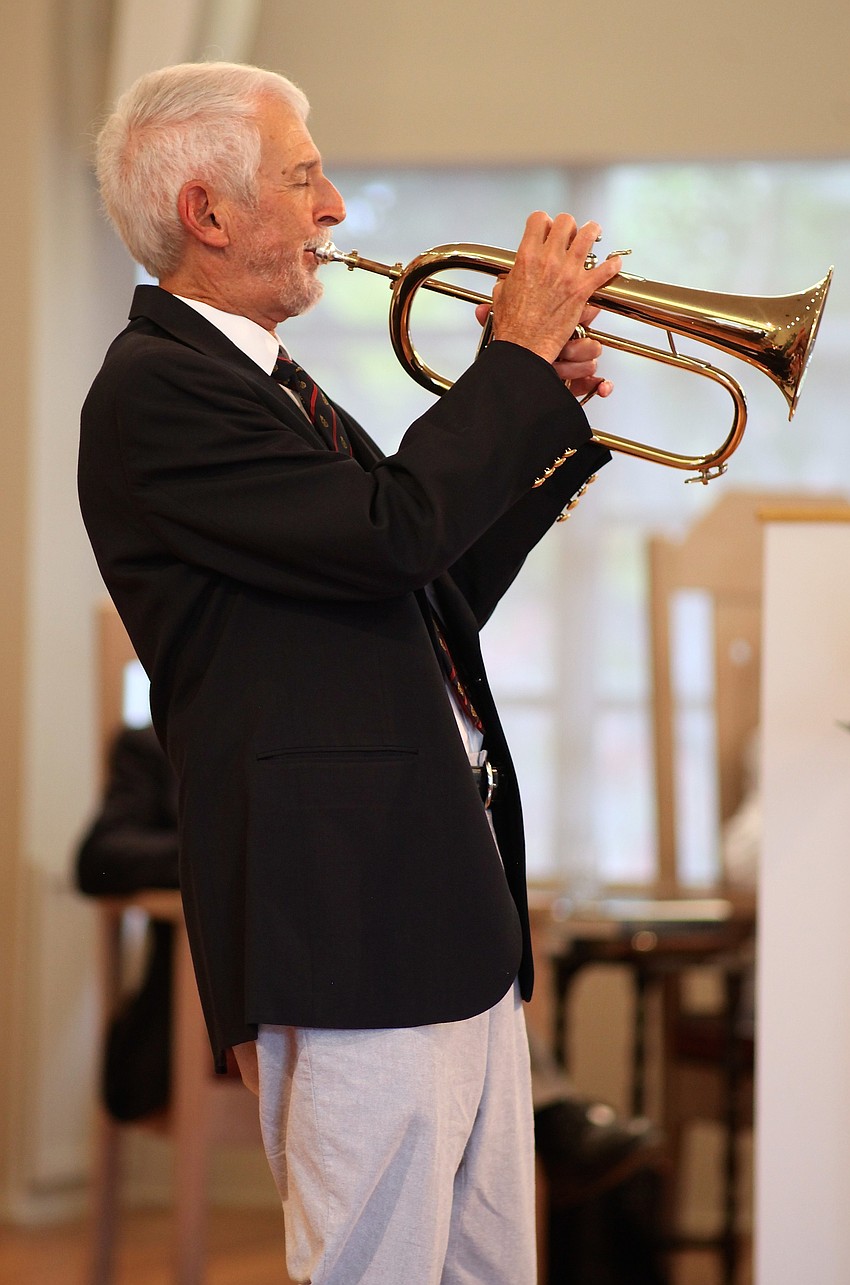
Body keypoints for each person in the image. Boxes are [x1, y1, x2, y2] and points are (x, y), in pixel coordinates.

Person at [78, 60, 624, 1284]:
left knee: (484, 1268)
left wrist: (546, 430)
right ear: (209, 212)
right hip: (347, 912)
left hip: (436, 900)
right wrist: (513, 371)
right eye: (306, 178)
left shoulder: (266, 383)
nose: (333, 211)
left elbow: (420, 589)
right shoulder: (159, 390)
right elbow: (395, 530)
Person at [76, 724, 668, 1280]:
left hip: (360, 971)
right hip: (218, 1007)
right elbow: (100, 856)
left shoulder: (341, 747)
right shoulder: (151, 745)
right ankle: (556, 1116)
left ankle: (549, 1107)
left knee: (445, 938)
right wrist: (248, 843)